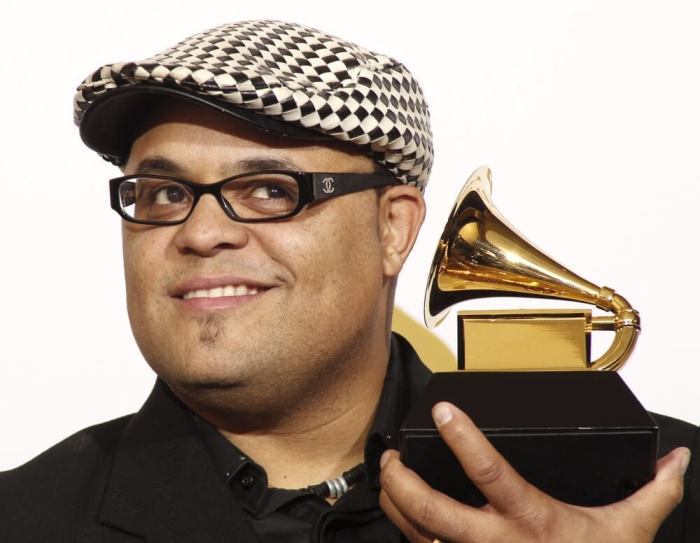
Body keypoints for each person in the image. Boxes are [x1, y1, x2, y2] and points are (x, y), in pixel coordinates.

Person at [0, 19, 698, 543]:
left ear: (392, 228)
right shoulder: (24, 517)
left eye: (270, 189)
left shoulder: (663, 485)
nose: (199, 231)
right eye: (161, 194)